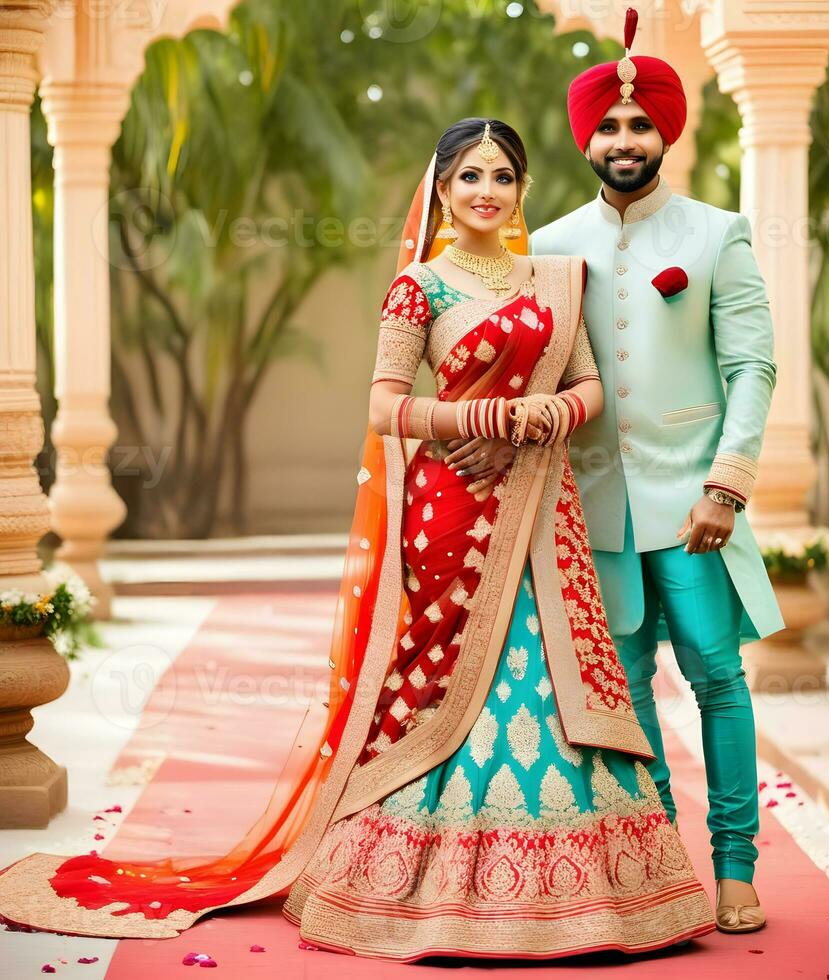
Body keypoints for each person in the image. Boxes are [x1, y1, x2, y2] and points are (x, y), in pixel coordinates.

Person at [0, 118, 716, 961]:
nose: (487, 191)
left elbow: (589, 385)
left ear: (521, 190)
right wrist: (481, 415)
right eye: (470, 177)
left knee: (555, 678)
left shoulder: (560, 281)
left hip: (541, 510)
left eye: (503, 176)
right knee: (445, 686)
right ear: (443, 192)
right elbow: (384, 407)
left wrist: (542, 416)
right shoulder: (420, 288)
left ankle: (590, 896)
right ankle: (411, 884)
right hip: (454, 511)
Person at [527, 9, 786, 935]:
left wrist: (729, 483)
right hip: (593, 508)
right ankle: (657, 864)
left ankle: (735, 867)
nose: (624, 139)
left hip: (693, 503)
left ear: (665, 132)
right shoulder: (548, 246)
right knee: (625, 690)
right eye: (608, 126)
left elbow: (750, 367)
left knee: (717, 677)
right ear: (586, 139)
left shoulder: (719, 234)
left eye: (640, 124)